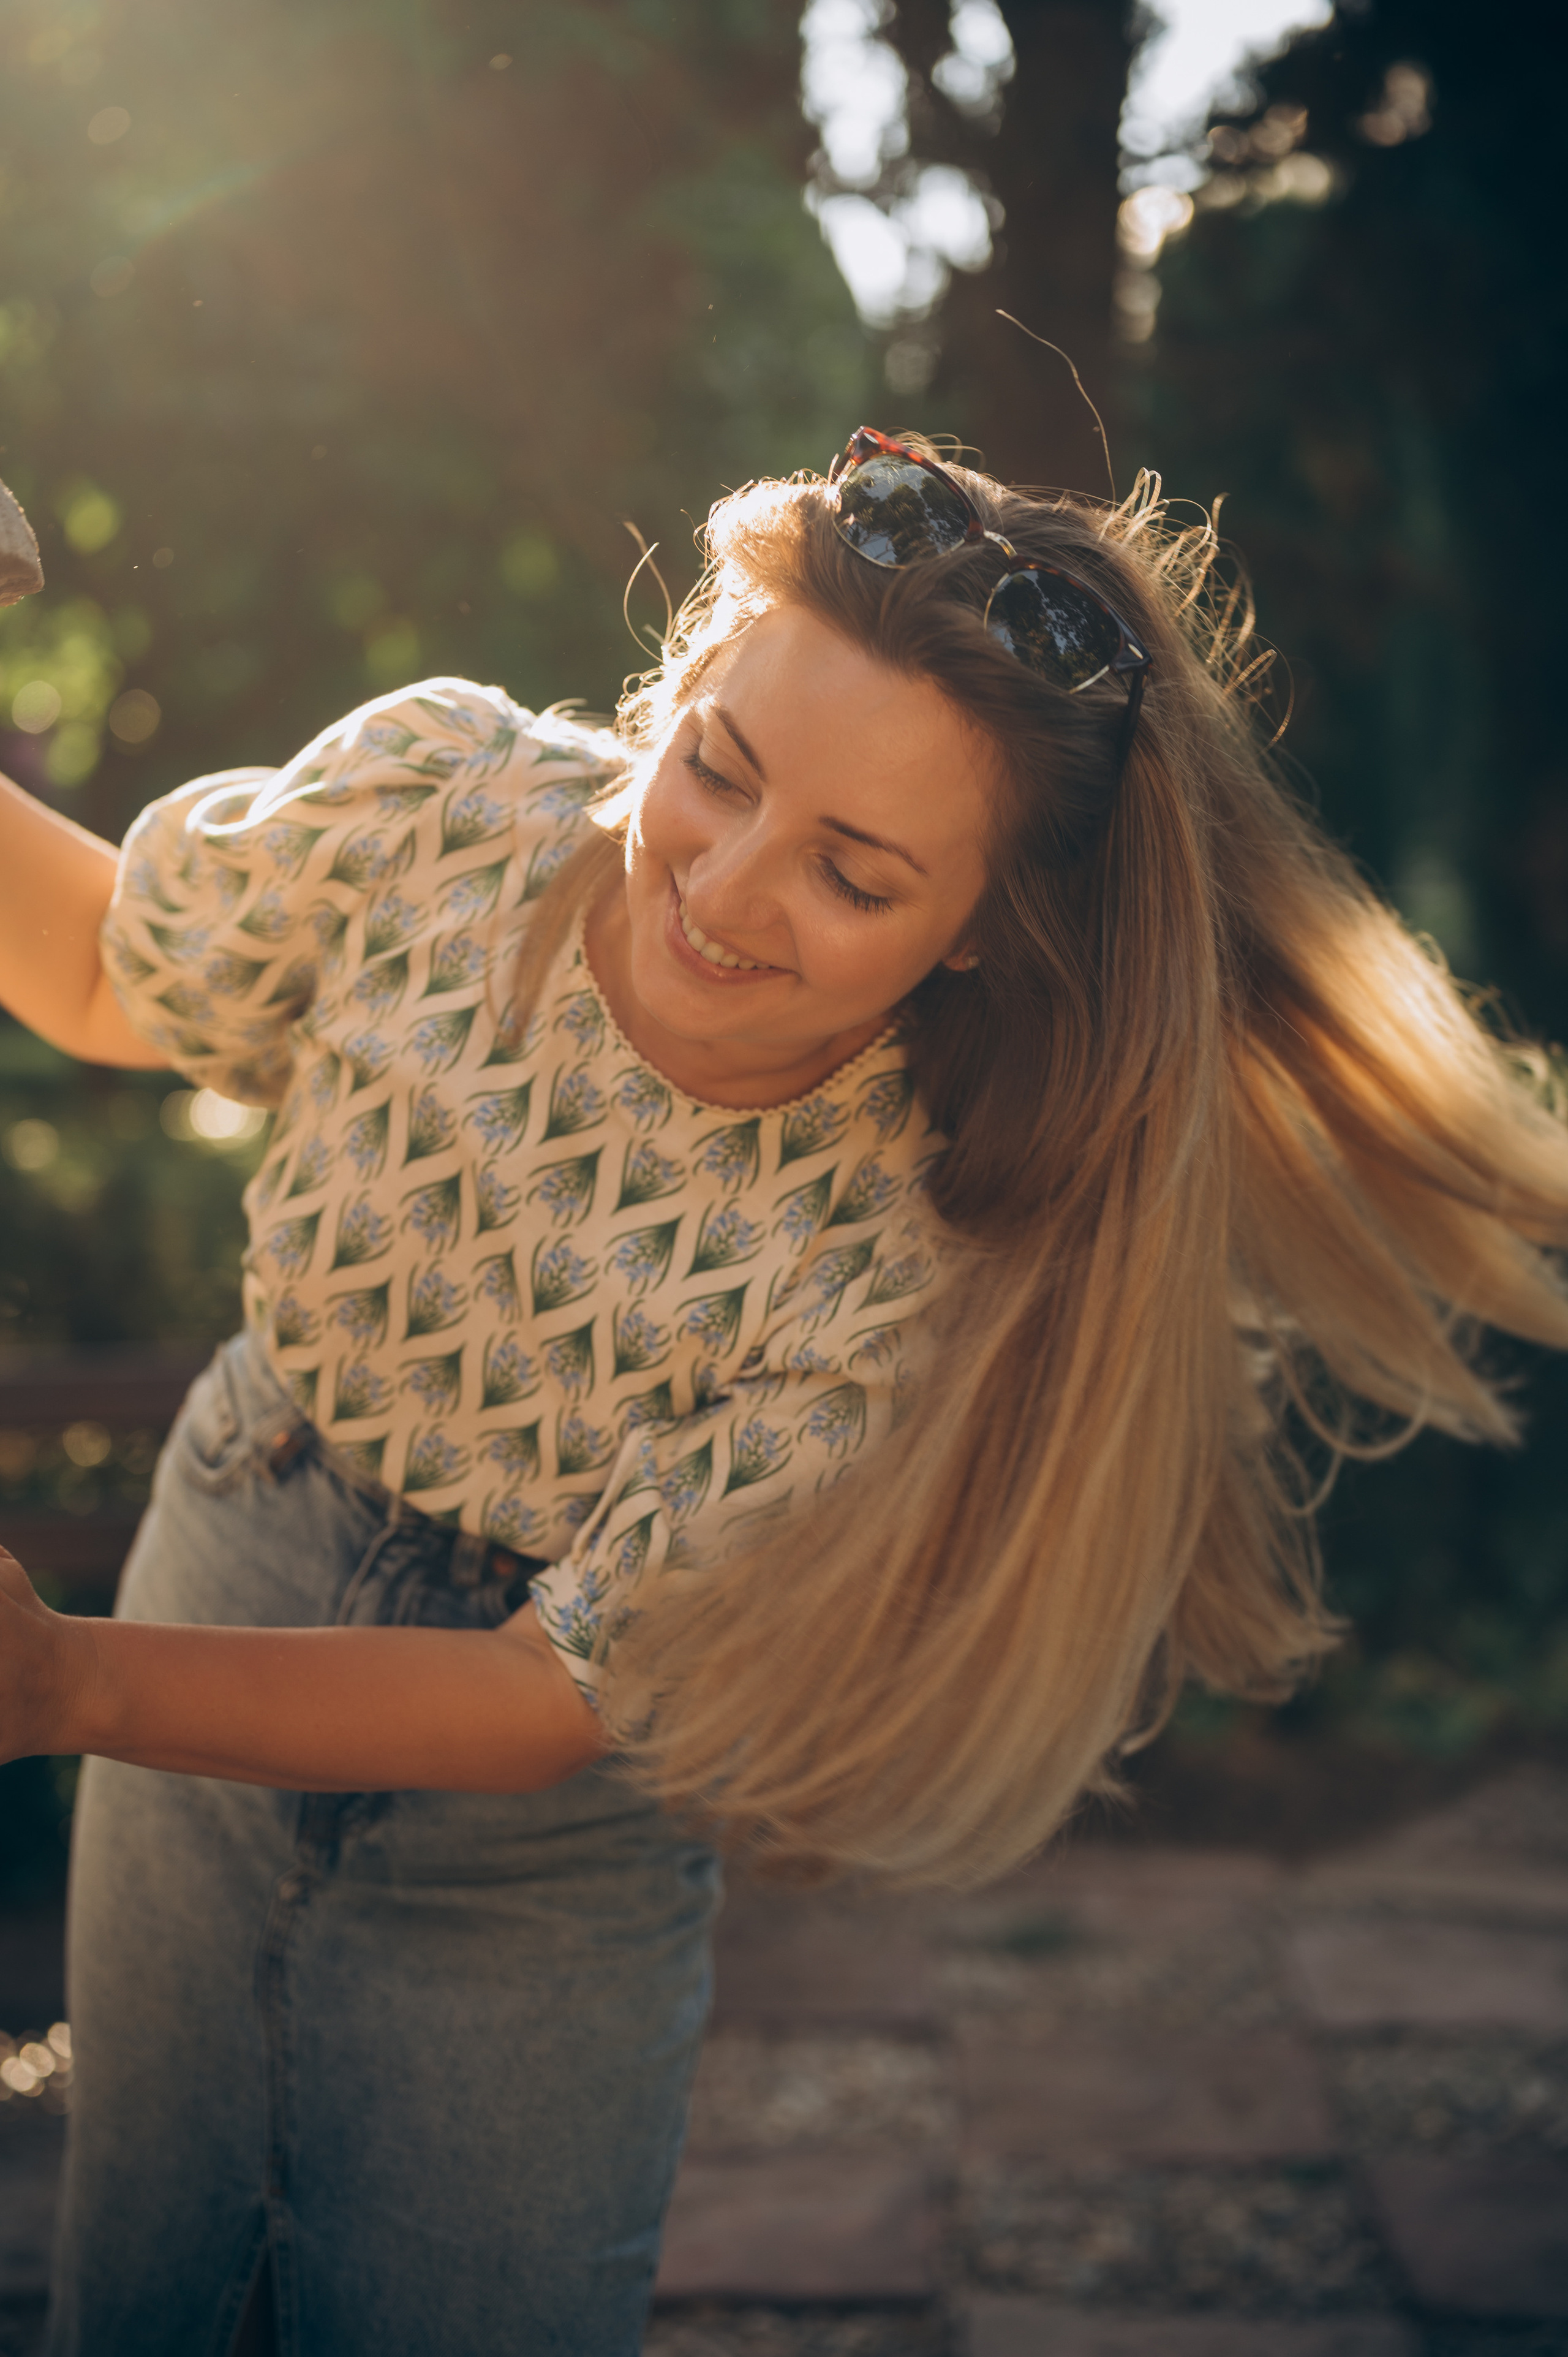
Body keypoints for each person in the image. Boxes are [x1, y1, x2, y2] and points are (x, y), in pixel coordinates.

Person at [3, 429, 1567, 2354]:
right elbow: (107, 970)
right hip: (228, 1545)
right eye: (719, 771)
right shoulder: (445, 800)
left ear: (985, 925)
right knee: (134, 2297)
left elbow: (542, 1693)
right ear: (676, 685)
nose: (727, 890)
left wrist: (74, 1687)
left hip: (537, 1844)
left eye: (856, 872)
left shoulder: (920, 1261)